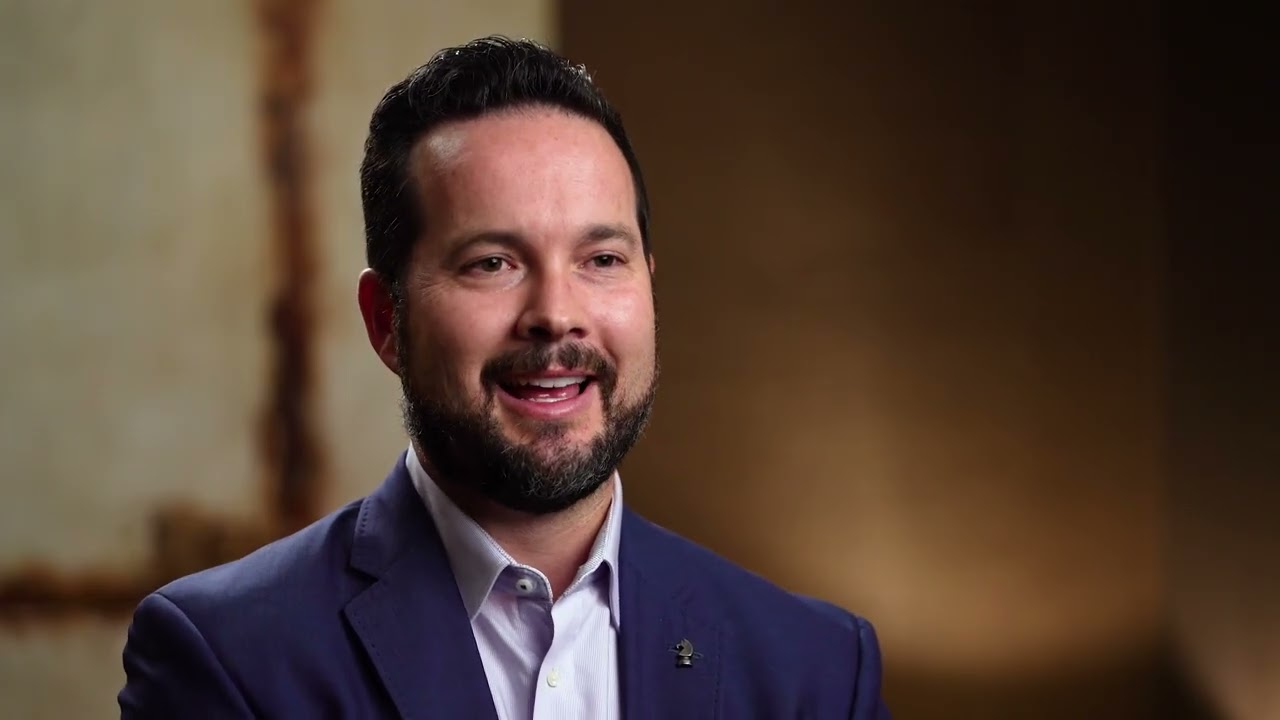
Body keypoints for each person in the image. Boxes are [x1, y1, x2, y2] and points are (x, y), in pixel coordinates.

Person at [119, 36, 890, 719]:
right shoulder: (229, 658)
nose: (556, 315)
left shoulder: (816, 671)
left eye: (601, 260)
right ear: (386, 321)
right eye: (492, 263)